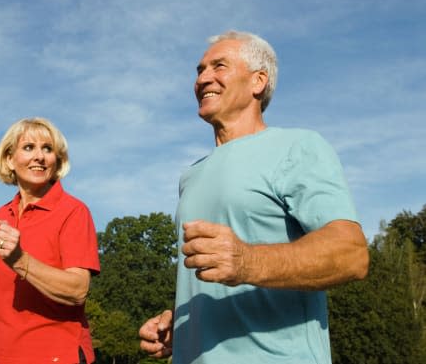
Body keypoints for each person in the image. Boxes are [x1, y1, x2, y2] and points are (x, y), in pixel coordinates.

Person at [138, 31, 369, 363]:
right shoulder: (190, 175)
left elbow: (351, 254)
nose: (203, 78)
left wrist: (247, 261)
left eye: (219, 66)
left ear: (258, 81)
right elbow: (215, 279)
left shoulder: (298, 147)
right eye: (199, 70)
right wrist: (187, 323)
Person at [0, 117, 100, 364]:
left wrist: (20, 260)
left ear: (57, 160)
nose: (39, 156)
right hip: (2, 355)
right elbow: (4, 286)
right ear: (9, 159)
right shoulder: (2, 215)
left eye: (48, 149)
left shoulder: (73, 211)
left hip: (56, 356)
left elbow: (78, 290)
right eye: (29, 147)